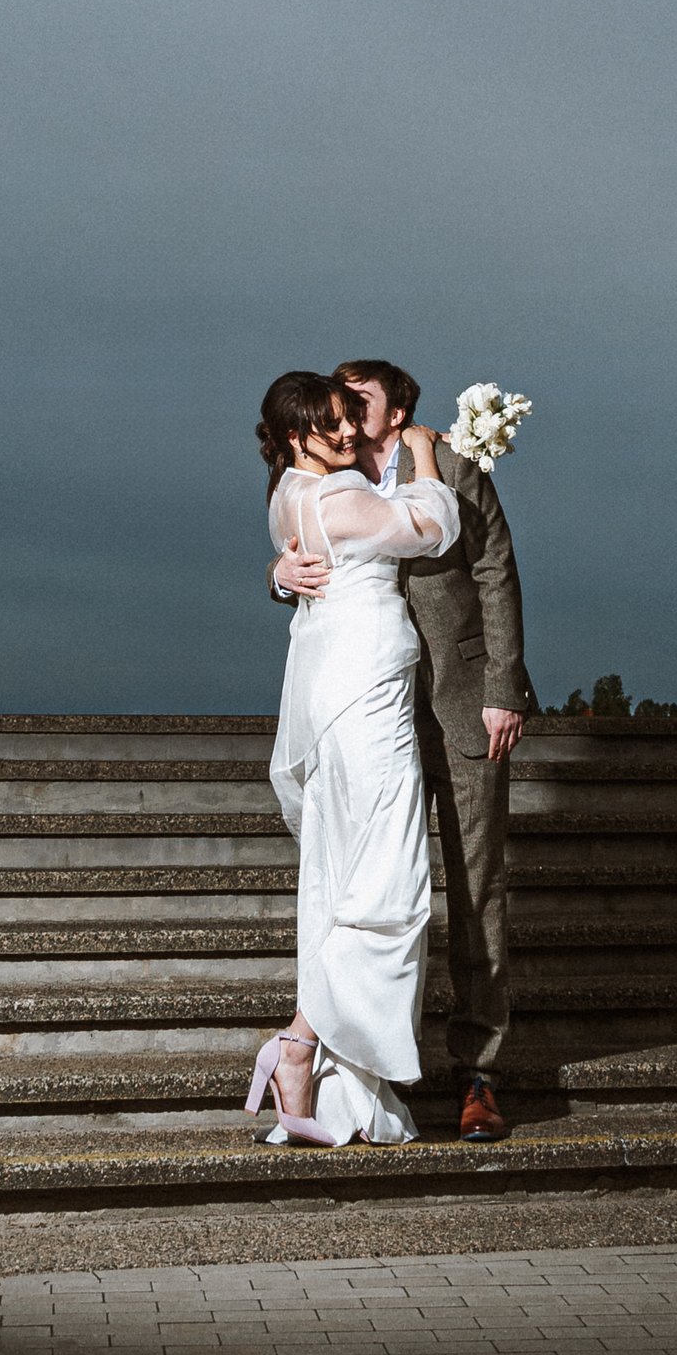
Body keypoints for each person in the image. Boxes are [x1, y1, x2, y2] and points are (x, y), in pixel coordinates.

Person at [271, 358, 533, 1143]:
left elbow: (494, 566)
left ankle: (478, 1075)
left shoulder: (451, 462)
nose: (346, 417)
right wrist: (280, 573)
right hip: (372, 703)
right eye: (337, 406)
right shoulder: (327, 473)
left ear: (399, 409)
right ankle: (378, 1067)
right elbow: (310, 540)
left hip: (458, 700)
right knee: (379, 876)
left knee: (473, 887)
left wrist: (503, 684)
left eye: (359, 402)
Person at [249, 370, 462, 1148]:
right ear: (294, 435)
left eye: (347, 419)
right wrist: (425, 458)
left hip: (333, 684)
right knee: (390, 880)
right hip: (364, 689)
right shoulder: (337, 494)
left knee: (346, 872)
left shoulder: (290, 494)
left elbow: (304, 552)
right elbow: (431, 530)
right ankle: (302, 1042)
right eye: (326, 426)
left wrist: (278, 573)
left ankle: (326, 1069)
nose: (344, 434)